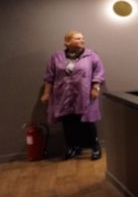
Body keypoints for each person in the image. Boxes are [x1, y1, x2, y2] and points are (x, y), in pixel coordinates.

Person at [41, 30, 105, 161]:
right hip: (63, 96)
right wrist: (46, 93)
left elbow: (99, 73)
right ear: (67, 42)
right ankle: (73, 147)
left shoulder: (91, 56)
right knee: (68, 123)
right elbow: (49, 77)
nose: (82, 40)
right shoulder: (56, 57)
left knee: (87, 123)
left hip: (84, 95)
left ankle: (95, 147)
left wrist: (95, 88)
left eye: (82, 38)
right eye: (77, 38)